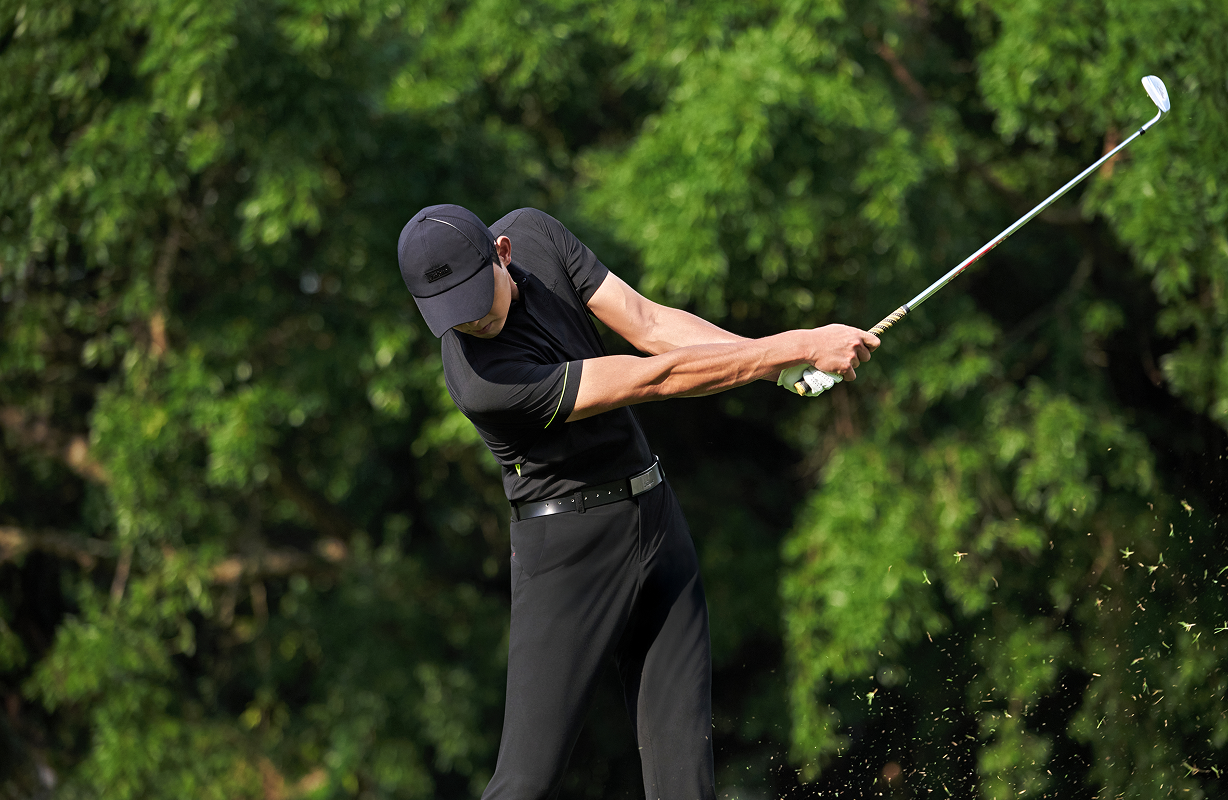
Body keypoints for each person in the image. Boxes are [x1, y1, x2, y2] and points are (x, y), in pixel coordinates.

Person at [396, 205, 878, 800]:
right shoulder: (481, 382)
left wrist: (776, 366)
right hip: (569, 555)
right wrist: (797, 344)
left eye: (475, 299)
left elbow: (650, 324)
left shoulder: (536, 234)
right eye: (452, 314)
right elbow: (654, 378)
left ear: (502, 253)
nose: (470, 322)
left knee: (685, 780)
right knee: (526, 782)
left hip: (655, 516)